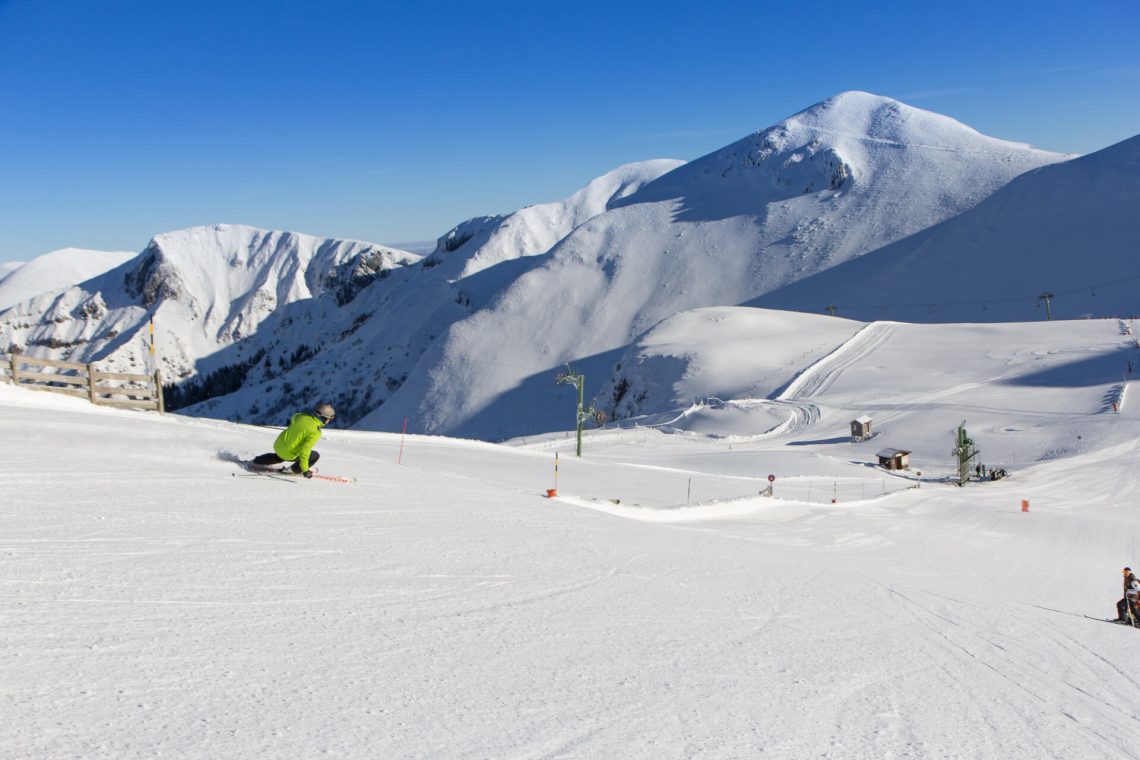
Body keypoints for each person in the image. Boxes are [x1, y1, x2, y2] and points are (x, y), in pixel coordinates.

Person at [252, 403, 335, 479]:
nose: (329, 421)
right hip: (289, 454)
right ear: (324, 418)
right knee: (315, 455)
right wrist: (305, 469)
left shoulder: (302, 417)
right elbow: (305, 451)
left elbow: (294, 416)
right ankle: (292, 470)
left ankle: (256, 461)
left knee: (279, 457)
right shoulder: (316, 432)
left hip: (278, 446)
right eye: (329, 419)